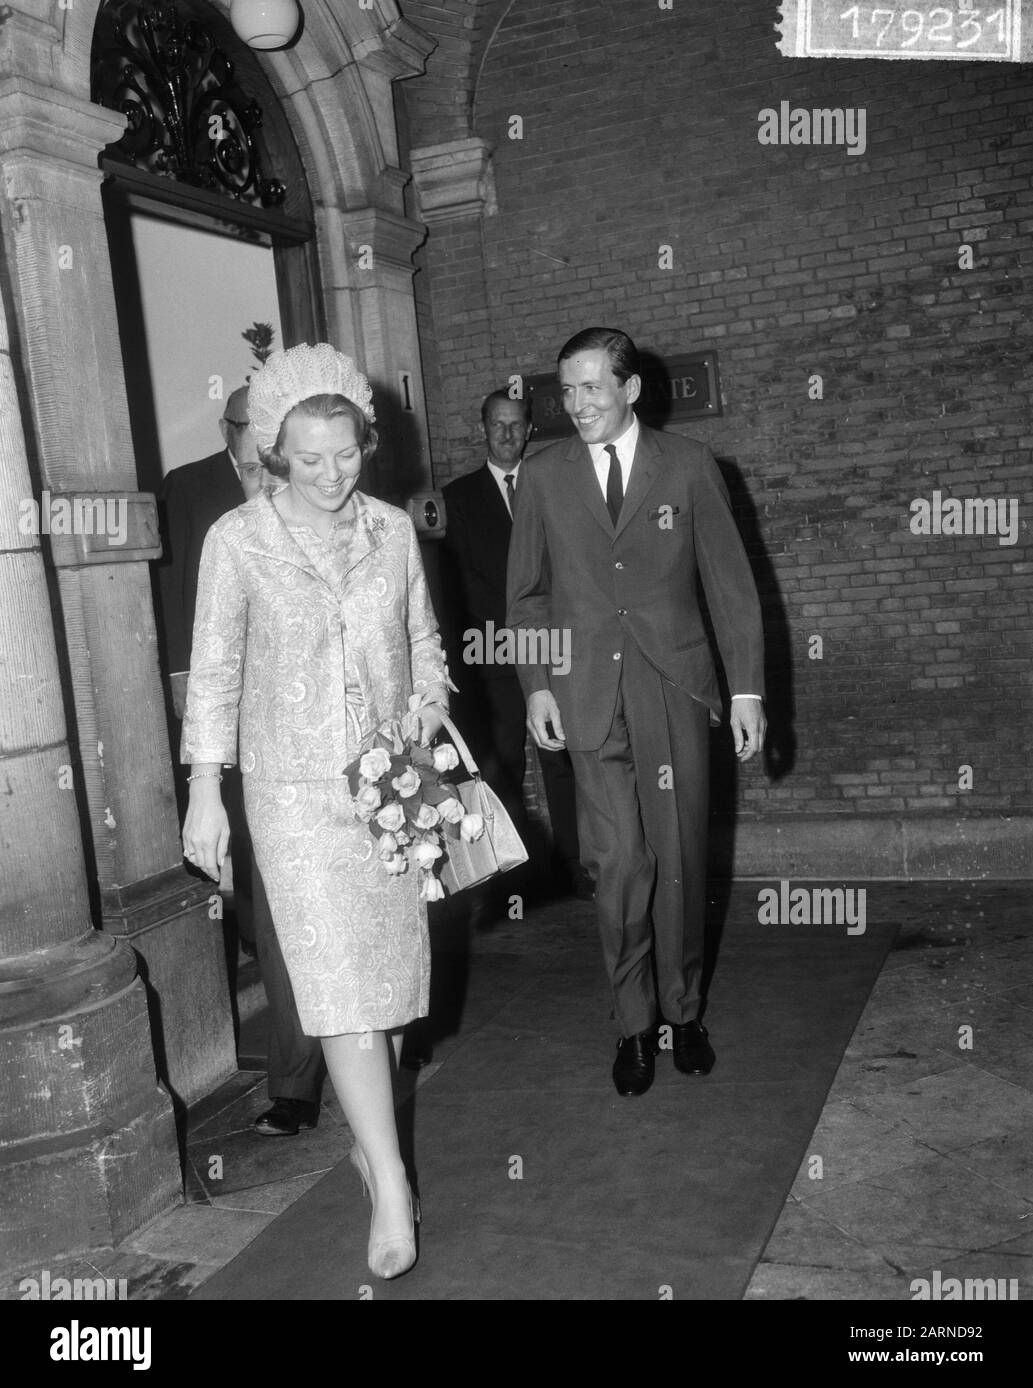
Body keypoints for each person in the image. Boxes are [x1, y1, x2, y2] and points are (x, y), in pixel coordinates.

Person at [180, 343, 451, 1281]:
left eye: (347, 453)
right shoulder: (236, 541)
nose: (333, 475)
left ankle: (371, 1143)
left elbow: (422, 641)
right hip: (291, 796)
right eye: (309, 458)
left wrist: (429, 706)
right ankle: (390, 1182)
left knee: (387, 998)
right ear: (272, 455)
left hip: (389, 784)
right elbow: (213, 671)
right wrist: (205, 790)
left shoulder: (390, 528)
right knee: (342, 1002)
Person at [507, 327, 766, 1098]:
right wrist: (536, 686)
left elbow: (730, 585)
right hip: (585, 692)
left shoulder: (687, 467)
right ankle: (632, 1025)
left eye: (591, 387)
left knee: (679, 859)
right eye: (566, 389)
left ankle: (683, 1013)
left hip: (672, 687)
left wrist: (745, 690)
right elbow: (525, 597)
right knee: (618, 865)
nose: (575, 403)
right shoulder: (543, 475)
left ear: (629, 389)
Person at [157, 387, 327, 1138]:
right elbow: (174, 604)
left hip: (317, 735)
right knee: (258, 902)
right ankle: (306, 1061)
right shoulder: (190, 490)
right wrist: (194, 728)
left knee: (303, 911)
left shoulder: (320, 491)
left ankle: (302, 1077)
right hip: (228, 734)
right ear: (231, 430)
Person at [442, 390, 590, 900]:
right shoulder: (457, 497)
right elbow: (459, 583)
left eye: (515, 425)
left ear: (529, 429)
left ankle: (578, 867)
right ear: (483, 429)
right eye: (496, 425)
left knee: (562, 761)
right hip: (492, 656)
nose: (506, 434)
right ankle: (515, 881)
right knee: (503, 764)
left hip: (554, 649)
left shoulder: (556, 484)